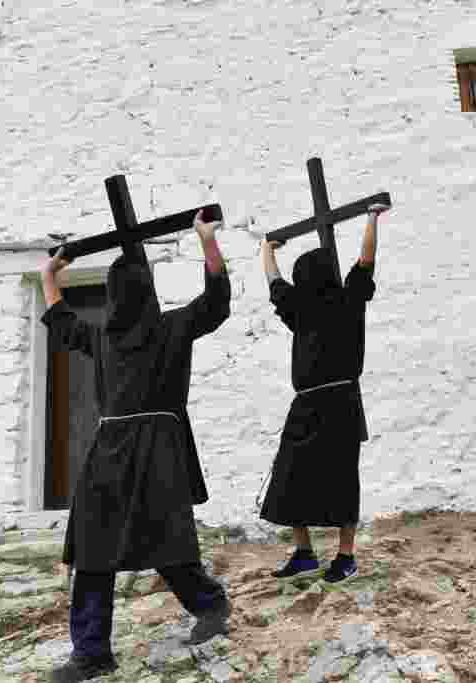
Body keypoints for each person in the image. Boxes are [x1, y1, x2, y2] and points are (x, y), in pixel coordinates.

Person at [39, 210, 233, 683]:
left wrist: (50, 277)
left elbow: (215, 304)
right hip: (109, 453)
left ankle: (210, 604)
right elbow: (63, 322)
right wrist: (46, 276)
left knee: (166, 541)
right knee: (91, 550)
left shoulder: (170, 329)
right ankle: (91, 653)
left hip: (157, 449)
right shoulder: (104, 339)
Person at [257, 203, 389, 584]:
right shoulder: (327, 302)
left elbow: (273, 280)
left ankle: (346, 557)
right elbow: (366, 260)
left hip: (338, 403)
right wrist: (370, 219)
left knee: (340, 479)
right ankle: (304, 554)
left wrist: (267, 248)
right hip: (315, 404)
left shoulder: (325, 303)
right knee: (290, 476)